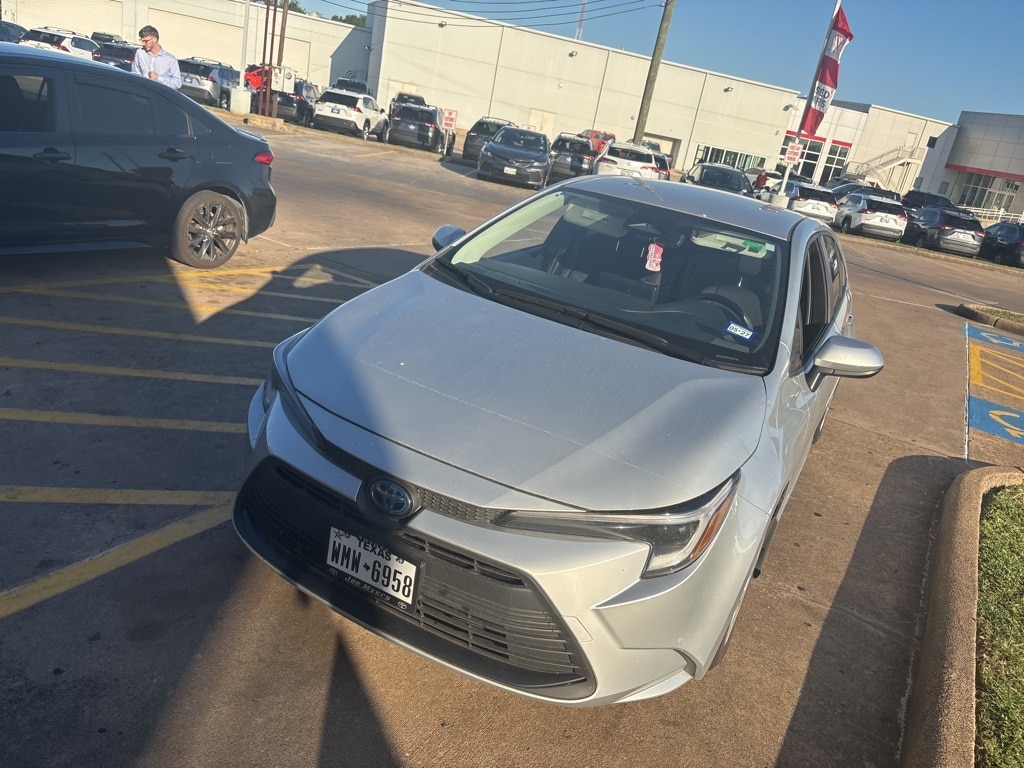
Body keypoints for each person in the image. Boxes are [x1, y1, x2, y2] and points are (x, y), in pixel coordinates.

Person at [132, 26, 181, 90]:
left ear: (155, 39)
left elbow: (177, 83)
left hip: (159, 96)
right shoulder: (140, 53)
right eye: (142, 41)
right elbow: (135, 73)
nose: (143, 44)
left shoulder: (170, 60)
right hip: (142, 94)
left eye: (146, 41)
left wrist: (158, 78)